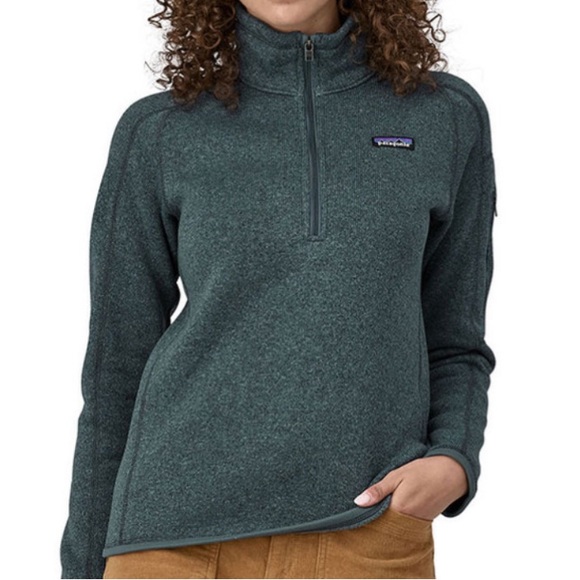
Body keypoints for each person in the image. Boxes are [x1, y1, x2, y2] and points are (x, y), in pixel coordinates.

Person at [59, 0, 498, 578]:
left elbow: (455, 339)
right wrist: (82, 568)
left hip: (365, 531)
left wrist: (453, 460)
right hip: (169, 542)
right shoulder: (161, 131)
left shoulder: (445, 117)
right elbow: (114, 373)